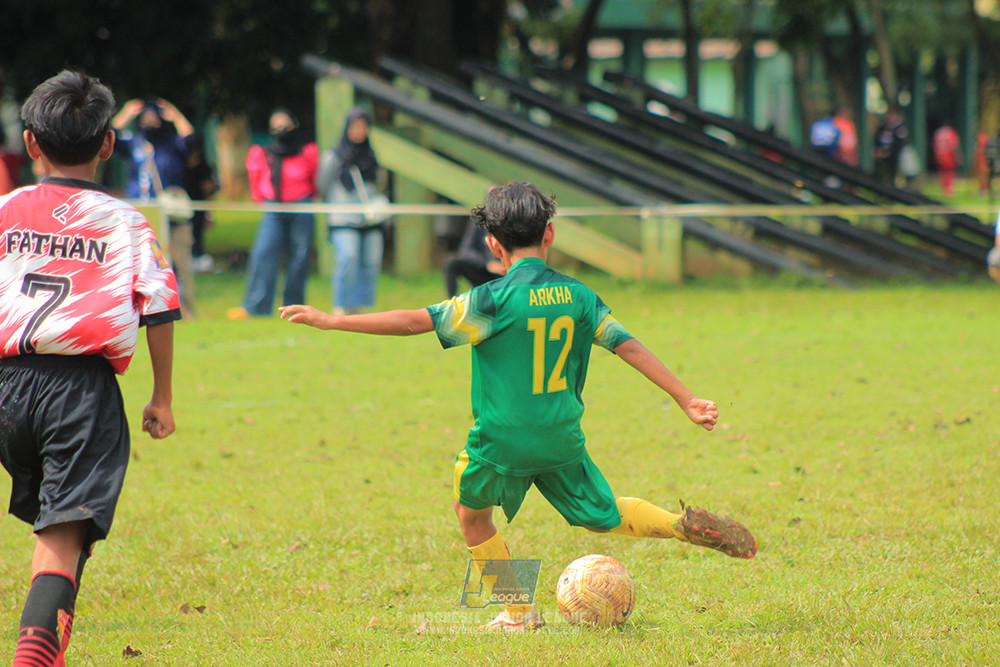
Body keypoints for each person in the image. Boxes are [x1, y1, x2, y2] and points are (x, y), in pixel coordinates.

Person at [280, 181, 756, 633]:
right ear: (549, 233)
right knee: (606, 513)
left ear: (491, 244)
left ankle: (518, 612)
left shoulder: (492, 299)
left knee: (472, 516)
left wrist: (333, 320)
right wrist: (686, 398)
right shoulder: (578, 296)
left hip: (501, 440)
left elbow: (412, 322)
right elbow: (628, 346)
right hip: (560, 438)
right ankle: (679, 524)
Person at [0, 70, 179, 666]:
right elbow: (160, 306)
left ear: (31, 144)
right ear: (107, 144)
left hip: (6, 381)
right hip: (79, 391)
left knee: (51, 524)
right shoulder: (126, 223)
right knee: (60, 538)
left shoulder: (5, 210)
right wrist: (162, 397)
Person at [229, 109, 319, 318]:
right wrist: (263, 199)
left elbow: (314, 177)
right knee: (264, 254)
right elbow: (256, 178)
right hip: (273, 207)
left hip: (301, 205)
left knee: (300, 257)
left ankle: (295, 307)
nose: (281, 131)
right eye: (276, 126)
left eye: (285, 126)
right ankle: (256, 307)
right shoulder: (262, 152)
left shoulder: (307, 150)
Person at [112, 97, 196, 317]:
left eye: (153, 117)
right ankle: (135, 310)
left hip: (169, 212)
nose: (150, 121)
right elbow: (108, 137)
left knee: (178, 262)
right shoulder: (134, 142)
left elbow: (191, 141)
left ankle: (186, 311)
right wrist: (126, 113)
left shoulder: (171, 144)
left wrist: (176, 115)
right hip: (140, 212)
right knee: (136, 263)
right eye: (145, 117)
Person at [317, 107, 385, 315]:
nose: (359, 131)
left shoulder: (372, 155)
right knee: (348, 257)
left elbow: (380, 183)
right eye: (355, 127)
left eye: (363, 127)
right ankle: (341, 303)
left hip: (370, 219)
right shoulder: (333, 156)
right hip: (343, 218)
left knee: (371, 262)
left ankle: (361, 306)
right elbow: (322, 184)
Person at [182, 133, 218, 273]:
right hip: (182, 206)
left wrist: (209, 214)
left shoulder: (204, 167)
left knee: (197, 234)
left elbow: (208, 191)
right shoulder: (180, 166)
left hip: (199, 206)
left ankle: (198, 259)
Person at [443, 217, 505, 297]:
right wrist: (487, 264)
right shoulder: (480, 220)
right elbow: (466, 249)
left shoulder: (514, 218)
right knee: (451, 261)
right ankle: (451, 302)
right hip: (485, 270)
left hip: (508, 272)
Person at [874, 108, 910, 187]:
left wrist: (889, 152)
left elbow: (900, 144)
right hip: (882, 156)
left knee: (895, 174)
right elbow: (877, 139)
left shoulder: (900, 128)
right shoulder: (883, 127)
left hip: (894, 157)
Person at [932, 122, 961, 197]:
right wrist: (957, 156)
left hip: (939, 155)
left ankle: (943, 189)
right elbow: (953, 146)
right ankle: (948, 190)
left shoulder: (938, 133)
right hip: (948, 155)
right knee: (950, 173)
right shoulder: (950, 133)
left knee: (942, 173)